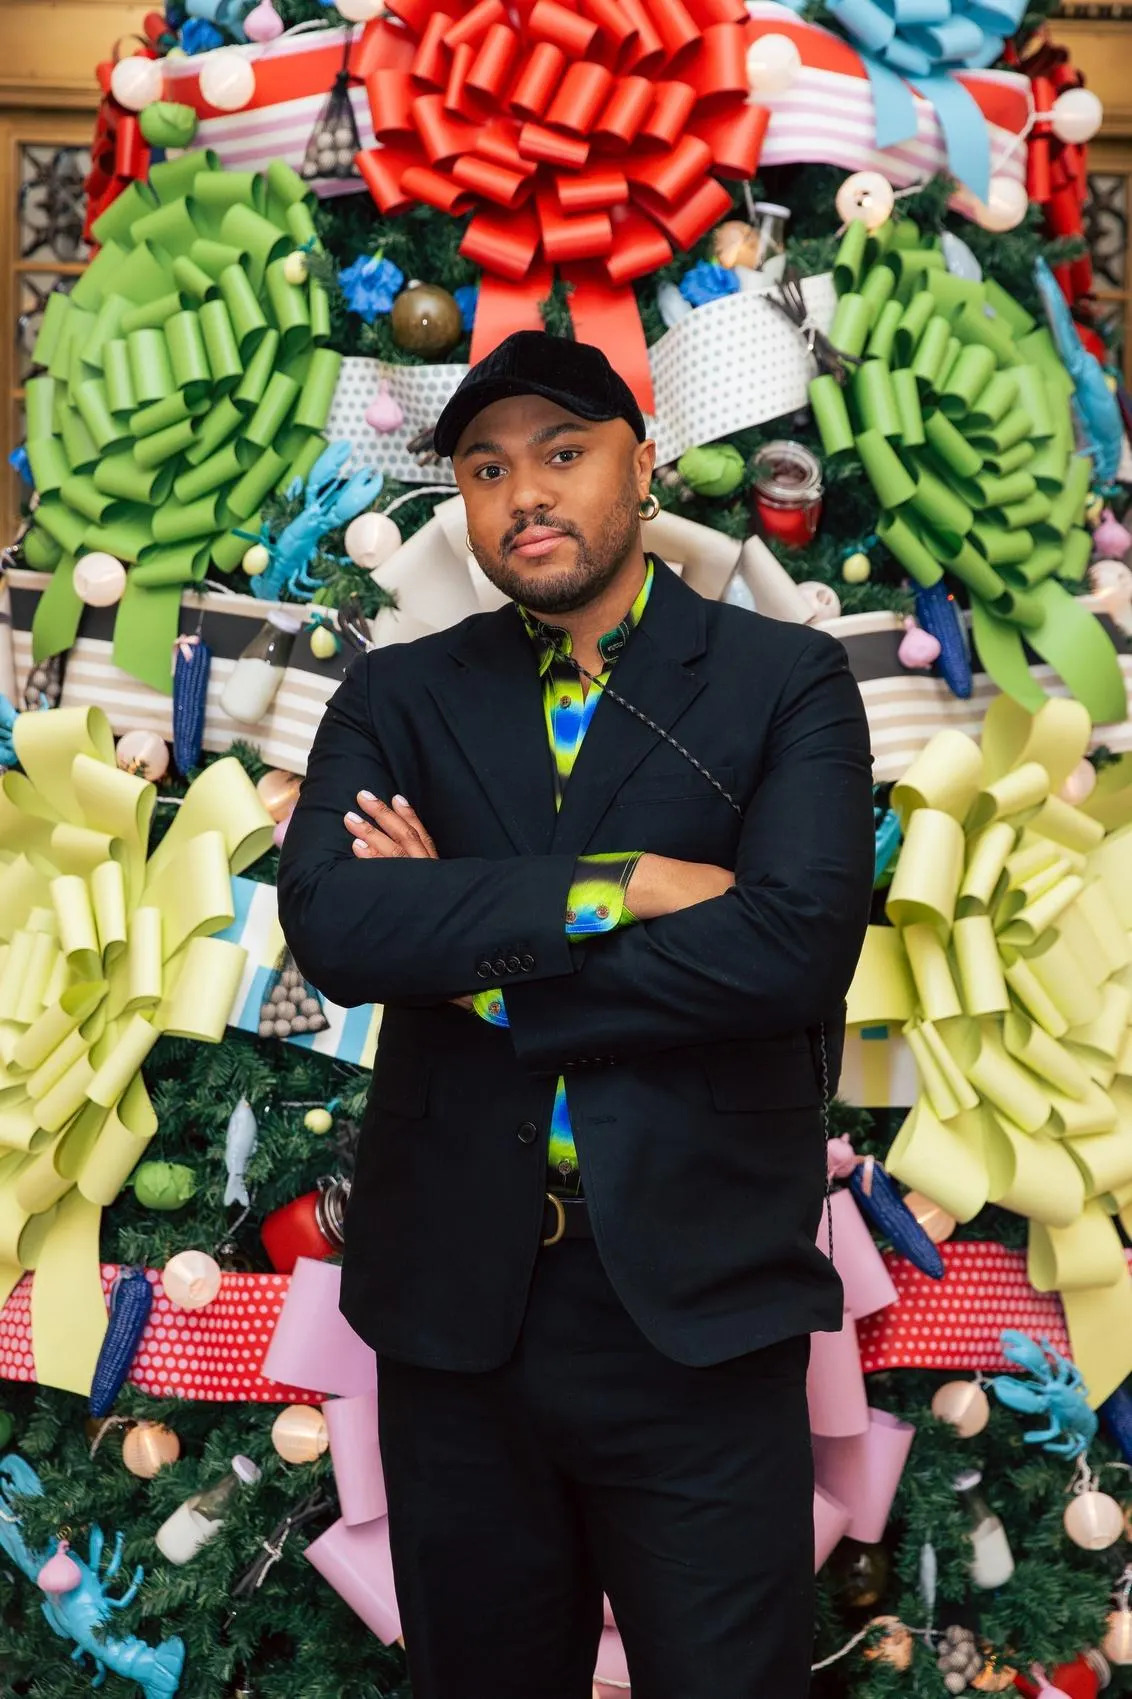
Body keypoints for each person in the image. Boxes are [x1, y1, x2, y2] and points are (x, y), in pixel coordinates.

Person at [277, 329, 875, 1699]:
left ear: (643, 464)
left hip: (699, 1311)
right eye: (486, 469)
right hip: (458, 1319)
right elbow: (339, 926)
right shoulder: (400, 693)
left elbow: (787, 954)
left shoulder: (786, 683)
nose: (524, 494)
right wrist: (632, 884)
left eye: (562, 453)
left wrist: (473, 942)